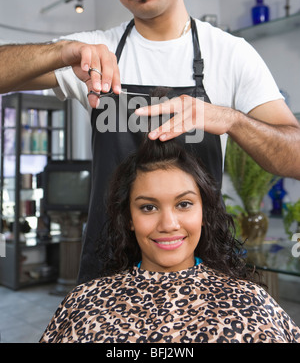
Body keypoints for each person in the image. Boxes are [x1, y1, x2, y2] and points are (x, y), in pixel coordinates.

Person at [0, 0, 299, 284]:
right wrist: (61, 51)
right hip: (107, 277)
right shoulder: (94, 52)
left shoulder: (230, 54)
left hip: (200, 277)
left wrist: (228, 120)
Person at [40, 137, 300, 343]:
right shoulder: (84, 302)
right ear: (129, 218)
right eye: (148, 208)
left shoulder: (251, 302)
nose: (168, 225)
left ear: (203, 214)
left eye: (184, 204)